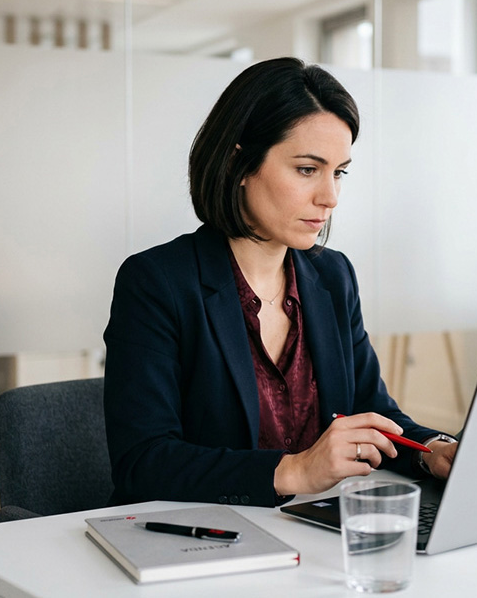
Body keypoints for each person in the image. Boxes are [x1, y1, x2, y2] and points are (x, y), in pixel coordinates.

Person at [103, 57, 458, 508]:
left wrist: (434, 453)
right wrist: (295, 470)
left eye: (339, 172)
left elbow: (374, 413)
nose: (329, 197)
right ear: (241, 164)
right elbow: (143, 461)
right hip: (201, 542)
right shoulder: (157, 282)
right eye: (308, 169)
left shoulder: (333, 276)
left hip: (308, 537)